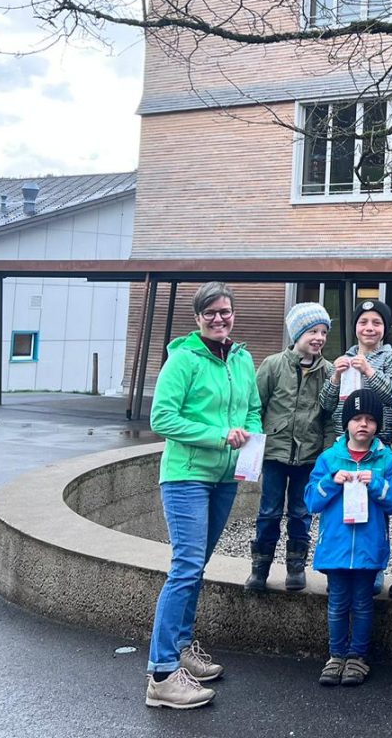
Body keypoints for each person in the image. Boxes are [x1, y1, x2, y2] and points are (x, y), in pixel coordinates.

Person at [144, 282, 261, 710]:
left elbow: (251, 407)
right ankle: (160, 674)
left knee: (198, 565)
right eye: (210, 312)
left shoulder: (243, 358)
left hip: (225, 477)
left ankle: (181, 649)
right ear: (197, 318)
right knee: (186, 566)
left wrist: (247, 437)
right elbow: (162, 417)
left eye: (225, 312)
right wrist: (218, 436)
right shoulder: (183, 359)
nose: (219, 318)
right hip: (186, 476)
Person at [305, 389, 392, 687]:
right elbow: (311, 501)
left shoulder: (385, 460)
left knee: (362, 603)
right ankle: (336, 655)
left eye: (370, 419)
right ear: (346, 423)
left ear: (377, 425)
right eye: (357, 418)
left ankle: (357, 657)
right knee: (337, 603)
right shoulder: (329, 458)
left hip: (367, 547)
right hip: (335, 547)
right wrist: (330, 481)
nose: (363, 425)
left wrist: (376, 483)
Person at [246, 302, 335, 594]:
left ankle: (296, 566)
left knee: (301, 511)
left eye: (323, 332)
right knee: (269, 510)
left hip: (308, 455)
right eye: (312, 331)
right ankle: (259, 567)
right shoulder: (273, 365)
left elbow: (329, 415)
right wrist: (255, 447)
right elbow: (255, 406)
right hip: (275, 452)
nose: (318, 337)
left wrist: (326, 452)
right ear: (297, 333)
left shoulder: (329, 371)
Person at [322, 298, 392, 594]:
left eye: (376, 323)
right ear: (355, 327)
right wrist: (335, 376)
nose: (369, 328)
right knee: (343, 505)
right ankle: (342, 562)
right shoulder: (343, 356)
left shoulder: (390, 358)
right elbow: (327, 403)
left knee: (376, 506)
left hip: (377, 444)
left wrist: (370, 371)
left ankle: (376, 566)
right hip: (345, 445)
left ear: (385, 328)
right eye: (363, 322)